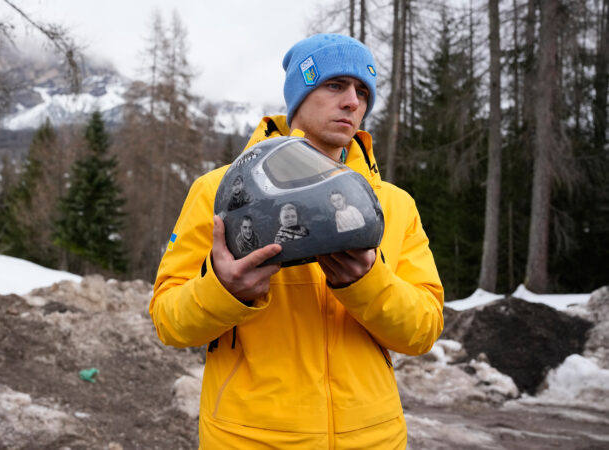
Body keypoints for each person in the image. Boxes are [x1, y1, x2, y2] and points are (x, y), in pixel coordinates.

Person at [150, 33, 443, 448]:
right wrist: (223, 289)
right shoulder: (221, 192)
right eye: (334, 85)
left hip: (373, 438)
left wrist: (367, 284)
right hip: (249, 438)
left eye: (363, 91)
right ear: (298, 97)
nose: (352, 102)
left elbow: (424, 330)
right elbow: (168, 320)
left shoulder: (392, 205)